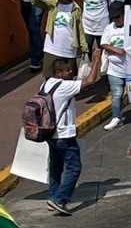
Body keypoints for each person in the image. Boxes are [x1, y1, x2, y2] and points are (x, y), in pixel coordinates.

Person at [43, 53, 102, 216]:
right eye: (67, 70)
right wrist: (96, 62)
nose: (70, 73)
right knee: (75, 167)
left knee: (56, 167)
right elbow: (89, 81)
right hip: (64, 134)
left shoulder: (46, 84)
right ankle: (60, 200)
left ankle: (52, 195)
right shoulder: (64, 86)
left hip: (50, 134)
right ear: (59, 72)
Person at [35, 0, 87, 78]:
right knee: (49, 75)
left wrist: (84, 46)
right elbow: (37, 3)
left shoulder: (75, 9)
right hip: (52, 46)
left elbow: (80, 29)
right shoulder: (52, 4)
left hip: (68, 47)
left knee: (67, 76)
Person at [100, 1, 131, 130]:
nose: (116, 20)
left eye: (118, 17)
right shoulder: (109, 28)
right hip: (114, 69)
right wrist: (117, 50)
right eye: (113, 18)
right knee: (116, 94)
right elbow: (104, 43)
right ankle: (116, 117)